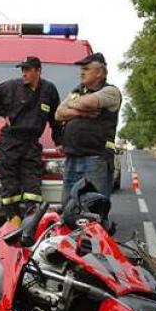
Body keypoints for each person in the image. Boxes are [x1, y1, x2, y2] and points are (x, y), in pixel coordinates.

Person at [0, 56, 62, 226]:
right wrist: (4, 112)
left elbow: (56, 119)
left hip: (32, 143)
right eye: (22, 70)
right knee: (10, 183)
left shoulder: (49, 90)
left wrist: (59, 141)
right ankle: (13, 219)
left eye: (27, 70)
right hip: (10, 141)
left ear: (38, 71)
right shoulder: (11, 86)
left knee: (32, 184)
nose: (23, 73)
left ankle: (32, 221)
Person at [56, 52, 121, 204]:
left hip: (96, 158)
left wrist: (73, 106)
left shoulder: (111, 92)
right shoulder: (77, 91)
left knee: (93, 208)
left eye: (86, 68)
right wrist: (81, 111)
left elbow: (89, 103)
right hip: (72, 157)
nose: (81, 72)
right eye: (81, 69)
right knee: (68, 207)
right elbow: (58, 113)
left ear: (99, 72)